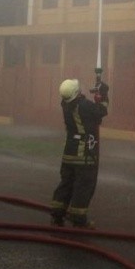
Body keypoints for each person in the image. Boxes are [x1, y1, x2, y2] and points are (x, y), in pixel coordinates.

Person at [50, 77, 108, 229]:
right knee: (84, 186)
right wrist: (103, 93)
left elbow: (93, 118)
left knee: (66, 184)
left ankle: (57, 214)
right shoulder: (84, 105)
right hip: (84, 154)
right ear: (76, 92)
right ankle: (78, 219)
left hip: (69, 152)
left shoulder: (65, 104)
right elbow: (101, 111)